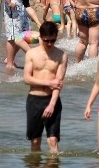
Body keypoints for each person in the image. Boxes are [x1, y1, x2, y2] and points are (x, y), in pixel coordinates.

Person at [24, 21, 68, 153]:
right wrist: (49, 83)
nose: (49, 44)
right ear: (41, 38)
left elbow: (59, 82)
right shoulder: (31, 54)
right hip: (34, 100)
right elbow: (26, 79)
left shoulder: (61, 55)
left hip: (52, 100)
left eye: (53, 41)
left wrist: (52, 104)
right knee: (35, 141)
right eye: (46, 41)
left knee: (53, 140)